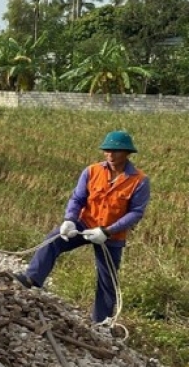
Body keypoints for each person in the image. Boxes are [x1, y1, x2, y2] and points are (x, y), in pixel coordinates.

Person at [14, 131, 150, 325]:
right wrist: (69, 220)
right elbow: (78, 199)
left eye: (115, 151)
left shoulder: (139, 181)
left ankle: (102, 322)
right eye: (107, 151)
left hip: (112, 235)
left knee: (107, 278)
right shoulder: (92, 171)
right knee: (53, 239)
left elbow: (136, 213)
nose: (110, 155)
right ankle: (32, 278)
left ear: (127, 153)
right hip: (85, 223)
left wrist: (107, 231)